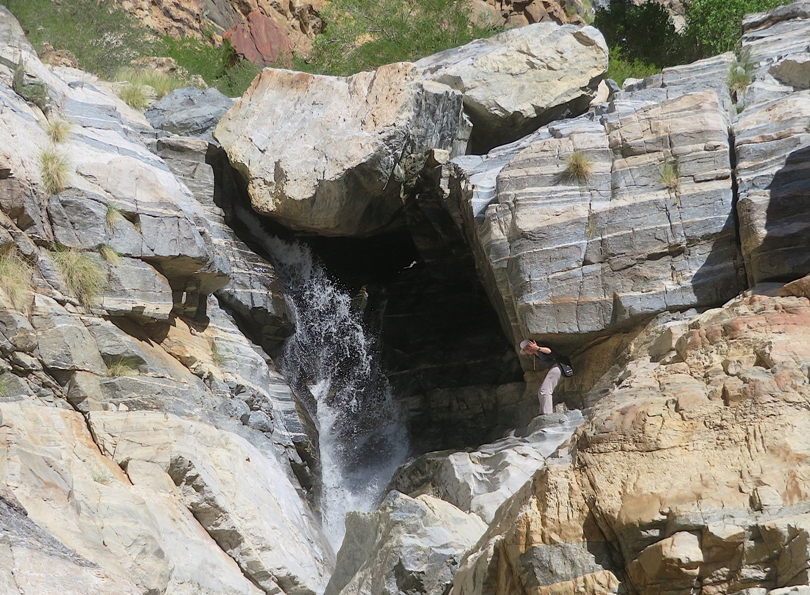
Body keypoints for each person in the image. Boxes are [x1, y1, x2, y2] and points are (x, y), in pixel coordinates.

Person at [519, 339, 573, 415]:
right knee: (540, 392)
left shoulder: (540, 348)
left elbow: (549, 351)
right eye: (525, 350)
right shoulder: (536, 355)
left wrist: (537, 348)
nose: (528, 350)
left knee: (545, 390)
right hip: (555, 369)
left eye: (528, 347)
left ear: (532, 344)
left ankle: (548, 414)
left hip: (558, 367)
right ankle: (542, 413)